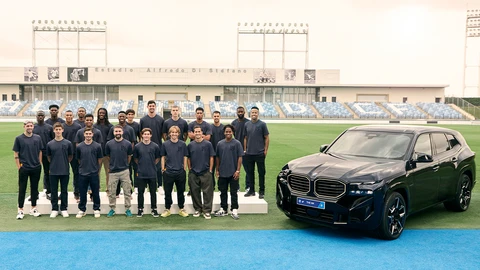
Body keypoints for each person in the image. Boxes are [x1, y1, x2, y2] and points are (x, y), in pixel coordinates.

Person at [13, 120, 43, 219]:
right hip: (24, 167)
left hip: (35, 167)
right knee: (22, 188)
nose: (29, 127)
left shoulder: (37, 138)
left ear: (33, 127)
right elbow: (16, 153)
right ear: (24, 127)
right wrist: (19, 166)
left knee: (34, 189)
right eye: (27, 126)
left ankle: (33, 208)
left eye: (31, 125)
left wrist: (39, 163)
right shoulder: (19, 138)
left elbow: (40, 151)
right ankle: (20, 209)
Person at [215, 125, 243, 220]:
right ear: (224, 132)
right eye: (226, 131)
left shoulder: (237, 143)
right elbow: (217, 157)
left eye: (229, 131)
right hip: (222, 172)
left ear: (232, 132)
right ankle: (223, 209)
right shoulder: (220, 144)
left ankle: (234, 209)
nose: (228, 133)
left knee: (233, 192)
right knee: (223, 191)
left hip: (233, 172)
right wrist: (217, 170)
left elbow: (240, 157)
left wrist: (238, 170)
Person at [160, 126, 189, 218]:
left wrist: (184, 168)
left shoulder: (182, 144)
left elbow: (185, 156)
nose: (174, 134)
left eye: (176, 132)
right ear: (169, 134)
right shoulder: (165, 144)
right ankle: (167, 209)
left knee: (181, 191)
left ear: (178, 134)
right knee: (167, 192)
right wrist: (163, 168)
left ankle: (181, 208)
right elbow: (163, 157)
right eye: (172, 132)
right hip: (168, 172)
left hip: (180, 172)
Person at [105, 125, 134, 217]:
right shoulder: (109, 144)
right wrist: (114, 164)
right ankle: (112, 209)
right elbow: (108, 156)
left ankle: (127, 209)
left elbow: (129, 156)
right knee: (112, 191)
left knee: (127, 191)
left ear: (122, 132)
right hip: (113, 171)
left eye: (119, 131)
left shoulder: (127, 143)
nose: (118, 133)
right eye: (116, 131)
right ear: (113, 133)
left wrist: (125, 165)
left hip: (124, 170)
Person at [187, 125, 215, 219]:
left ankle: (207, 210)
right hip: (194, 172)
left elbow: (211, 157)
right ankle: (198, 209)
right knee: (195, 192)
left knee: (207, 192)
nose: (197, 133)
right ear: (193, 133)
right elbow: (188, 158)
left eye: (199, 132)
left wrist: (210, 169)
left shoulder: (208, 144)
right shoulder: (190, 145)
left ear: (202, 133)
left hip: (205, 171)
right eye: (196, 132)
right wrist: (190, 169)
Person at [46, 123, 73, 218]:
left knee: (64, 190)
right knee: (54, 190)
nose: (58, 131)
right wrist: (54, 164)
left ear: (62, 130)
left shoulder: (68, 143)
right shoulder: (50, 144)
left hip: (64, 170)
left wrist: (64, 163)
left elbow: (70, 156)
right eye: (56, 129)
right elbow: (49, 157)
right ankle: (54, 209)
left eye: (59, 129)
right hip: (53, 171)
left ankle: (64, 208)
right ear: (54, 130)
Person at [107, 111, 135, 197]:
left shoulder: (130, 129)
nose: (121, 117)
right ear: (118, 117)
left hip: (126, 155)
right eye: (120, 116)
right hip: (115, 156)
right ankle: (117, 192)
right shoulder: (113, 128)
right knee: (116, 174)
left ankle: (129, 192)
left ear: (126, 117)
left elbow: (133, 141)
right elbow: (110, 141)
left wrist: (129, 152)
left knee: (128, 174)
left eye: (123, 116)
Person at [76, 128, 103, 218]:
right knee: (82, 192)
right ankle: (82, 209)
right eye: (86, 133)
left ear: (92, 134)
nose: (88, 135)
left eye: (89, 134)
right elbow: (79, 159)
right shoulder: (79, 146)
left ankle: (96, 209)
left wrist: (96, 168)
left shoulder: (97, 146)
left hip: (94, 172)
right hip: (83, 173)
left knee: (95, 192)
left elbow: (99, 159)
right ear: (84, 135)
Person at [133, 128, 161, 218]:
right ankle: (140, 209)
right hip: (141, 173)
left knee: (153, 192)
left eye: (148, 134)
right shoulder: (137, 146)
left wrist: (151, 164)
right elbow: (136, 159)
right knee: (140, 192)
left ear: (150, 135)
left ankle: (154, 209)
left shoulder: (155, 146)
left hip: (152, 173)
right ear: (142, 135)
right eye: (144, 134)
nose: (146, 136)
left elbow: (157, 158)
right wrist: (142, 165)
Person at [244, 106, 270, 199]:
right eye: (252, 112)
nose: (254, 114)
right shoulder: (247, 124)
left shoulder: (262, 124)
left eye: (255, 112)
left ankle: (261, 191)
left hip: (260, 153)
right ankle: (251, 190)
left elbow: (267, 137)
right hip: (249, 153)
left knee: (261, 173)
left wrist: (265, 150)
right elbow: (245, 138)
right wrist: (245, 149)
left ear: (258, 114)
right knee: (250, 173)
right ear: (250, 113)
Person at [139, 100, 164, 194]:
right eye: (150, 106)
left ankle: (160, 185)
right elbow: (140, 133)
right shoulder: (143, 120)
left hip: (157, 146)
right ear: (147, 107)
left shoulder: (160, 119)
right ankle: (145, 186)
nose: (151, 107)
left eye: (153, 106)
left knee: (157, 167)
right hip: (145, 146)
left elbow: (162, 133)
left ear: (155, 107)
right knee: (145, 166)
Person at [33, 110, 53, 200]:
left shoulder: (49, 127)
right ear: (36, 116)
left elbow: (53, 140)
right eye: (39, 115)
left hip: (46, 154)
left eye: (42, 115)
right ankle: (35, 193)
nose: (40, 117)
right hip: (35, 154)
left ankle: (49, 191)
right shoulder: (33, 127)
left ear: (44, 116)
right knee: (34, 174)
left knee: (47, 173)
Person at [62, 110, 82, 202]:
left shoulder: (78, 126)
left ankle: (77, 192)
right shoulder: (62, 126)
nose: (69, 116)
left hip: (74, 153)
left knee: (76, 173)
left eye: (70, 115)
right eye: (67, 115)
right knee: (63, 173)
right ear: (64, 116)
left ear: (73, 116)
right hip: (63, 154)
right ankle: (63, 192)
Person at [93, 108, 113, 193]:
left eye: (103, 113)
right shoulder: (94, 126)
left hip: (107, 154)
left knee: (108, 172)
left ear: (106, 114)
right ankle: (96, 189)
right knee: (96, 173)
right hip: (96, 154)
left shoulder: (110, 126)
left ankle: (108, 190)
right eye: (100, 113)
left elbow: (111, 140)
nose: (101, 114)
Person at [231, 106, 250, 192]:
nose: (240, 113)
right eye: (239, 112)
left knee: (248, 169)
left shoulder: (248, 123)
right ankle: (236, 187)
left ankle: (248, 186)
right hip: (235, 150)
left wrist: (246, 148)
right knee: (236, 169)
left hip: (246, 150)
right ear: (237, 112)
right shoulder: (233, 123)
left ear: (244, 112)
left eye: (242, 111)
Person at [126, 109, 140, 194]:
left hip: (135, 149)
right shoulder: (124, 125)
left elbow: (140, 136)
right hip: (126, 151)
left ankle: (136, 186)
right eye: (129, 114)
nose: (130, 116)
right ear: (126, 115)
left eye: (132, 114)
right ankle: (129, 186)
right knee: (128, 169)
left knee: (136, 168)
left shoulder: (136, 125)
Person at [210, 110, 225, 191]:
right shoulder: (210, 127)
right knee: (211, 171)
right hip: (212, 153)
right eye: (215, 116)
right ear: (213, 117)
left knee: (221, 171)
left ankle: (221, 187)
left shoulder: (223, 128)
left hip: (221, 154)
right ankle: (212, 187)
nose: (216, 117)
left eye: (217, 116)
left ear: (220, 117)